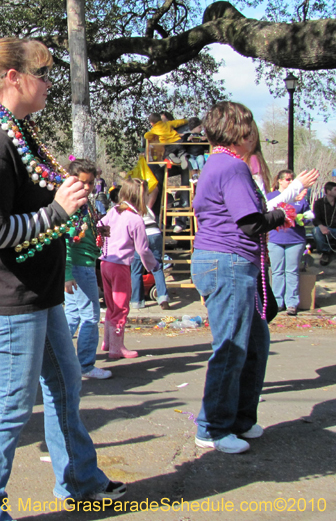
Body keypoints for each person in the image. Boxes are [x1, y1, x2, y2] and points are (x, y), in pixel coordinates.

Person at [0, 38, 124, 520]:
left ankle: (81, 481)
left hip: (37, 291)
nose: (49, 84)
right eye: (42, 74)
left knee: (65, 385)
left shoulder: (18, 132)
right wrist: (56, 211)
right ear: (13, 78)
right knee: (10, 404)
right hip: (9, 294)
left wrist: (65, 205)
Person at [191, 101, 290, 454]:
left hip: (227, 261)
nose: (254, 133)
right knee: (232, 348)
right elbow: (250, 222)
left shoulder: (217, 164)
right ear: (238, 131)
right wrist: (282, 215)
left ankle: (240, 420)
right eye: (249, 126)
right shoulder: (232, 167)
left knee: (255, 344)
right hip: (228, 262)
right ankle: (213, 428)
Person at [98, 178, 159, 360]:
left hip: (105, 262)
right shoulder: (135, 219)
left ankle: (108, 341)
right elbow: (143, 249)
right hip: (121, 266)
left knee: (111, 305)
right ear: (140, 196)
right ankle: (117, 348)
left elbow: (99, 226)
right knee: (121, 307)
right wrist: (153, 265)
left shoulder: (114, 211)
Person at [62, 159, 111, 379]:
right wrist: (67, 274)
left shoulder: (85, 204)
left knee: (72, 316)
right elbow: (65, 242)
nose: (88, 187)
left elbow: (82, 233)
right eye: (83, 182)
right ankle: (86, 365)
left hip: (83, 265)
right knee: (90, 317)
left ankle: (56, 359)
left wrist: (99, 231)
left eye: (91, 183)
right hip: (80, 267)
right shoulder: (72, 205)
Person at [267, 170, 310, 316]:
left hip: (295, 240)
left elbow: (309, 216)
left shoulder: (300, 198)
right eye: (287, 179)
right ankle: (277, 302)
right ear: (279, 181)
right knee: (277, 271)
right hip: (275, 239)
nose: (290, 182)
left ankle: (292, 303)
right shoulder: (271, 197)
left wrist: (303, 218)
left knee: (292, 271)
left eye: (292, 179)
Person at [130, 180, 170, 311]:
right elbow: (155, 190)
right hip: (155, 233)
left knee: (136, 270)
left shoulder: (131, 207)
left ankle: (137, 301)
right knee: (157, 267)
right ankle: (163, 297)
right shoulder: (147, 206)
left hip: (142, 234)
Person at [312, 182, 336, 265]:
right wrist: (321, 226)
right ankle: (325, 252)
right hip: (324, 228)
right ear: (328, 191)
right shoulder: (319, 203)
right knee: (316, 230)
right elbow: (315, 218)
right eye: (335, 190)